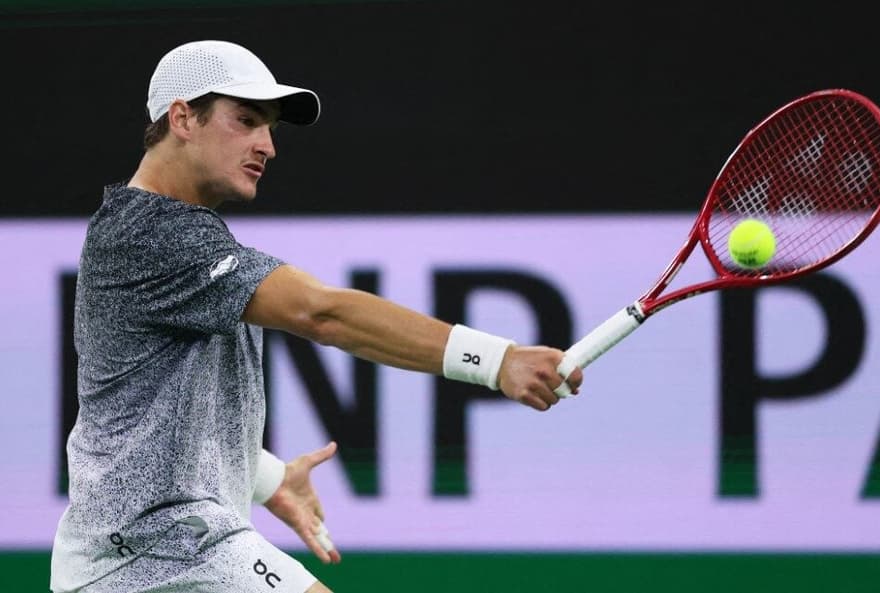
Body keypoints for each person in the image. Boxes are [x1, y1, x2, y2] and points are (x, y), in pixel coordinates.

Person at [50, 40, 582, 593]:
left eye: (271, 128)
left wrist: (271, 478)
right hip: (152, 549)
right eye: (247, 120)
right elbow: (322, 313)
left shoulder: (161, 233)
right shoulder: (152, 233)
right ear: (183, 118)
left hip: (145, 549)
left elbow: (152, 422)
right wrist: (496, 361)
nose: (268, 146)